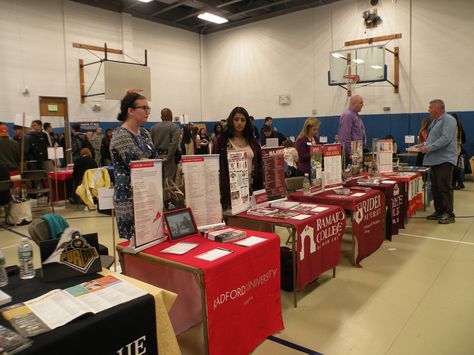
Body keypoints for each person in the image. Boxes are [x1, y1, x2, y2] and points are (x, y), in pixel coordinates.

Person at [110, 92, 157, 239]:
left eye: (148, 108)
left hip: (147, 192)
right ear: (130, 111)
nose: (147, 112)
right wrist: (151, 162)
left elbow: (154, 160)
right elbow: (139, 163)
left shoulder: (144, 133)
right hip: (128, 198)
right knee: (133, 243)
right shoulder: (121, 135)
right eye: (144, 108)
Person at [212, 106, 263, 211]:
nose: (239, 123)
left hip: (251, 189)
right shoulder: (222, 141)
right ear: (231, 121)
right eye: (236, 119)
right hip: (230, 191)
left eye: (243, 120)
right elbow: (215, 167)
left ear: (247, 122)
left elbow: (259, 166)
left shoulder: (253, 142)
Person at [419, 99, 457, 224]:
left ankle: (449, 213)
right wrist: (422, 145)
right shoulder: (434, 121)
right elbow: (432, 139)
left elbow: (445, 139)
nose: (428, 109)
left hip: (444, 160)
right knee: (435, 187)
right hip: (434, 160)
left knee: (444, 187)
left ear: (438, 108)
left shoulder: (449, 120)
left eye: (430, 107)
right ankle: (439, 211)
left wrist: (428, 148)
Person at [150, 108, 181, 181]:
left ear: (161, 117)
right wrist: (168, 157)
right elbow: (174, 144)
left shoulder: (153, 128)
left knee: (157, 181)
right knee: (168, 182)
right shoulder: (175, 127)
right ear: (171, 116)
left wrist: (153, 157)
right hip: (169, 158)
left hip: (156, 157)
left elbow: (150, 143)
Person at [337, 95, 365, 165]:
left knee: (358, 173)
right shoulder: (348, 115)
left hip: (357, 149)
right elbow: (345, 136)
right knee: (353, 173)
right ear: (354, 103)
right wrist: (351, 153)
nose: (363, 105)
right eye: (361, 103)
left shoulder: (354, 115)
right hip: (352, 151)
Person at [452, 113, 466, 190]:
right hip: (458, 148)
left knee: (454, 167)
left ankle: (457, 183)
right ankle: (458, 183)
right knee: (455, 167)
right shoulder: (460, 127)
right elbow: (464, 140)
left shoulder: (455, 128)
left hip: (455, 149)